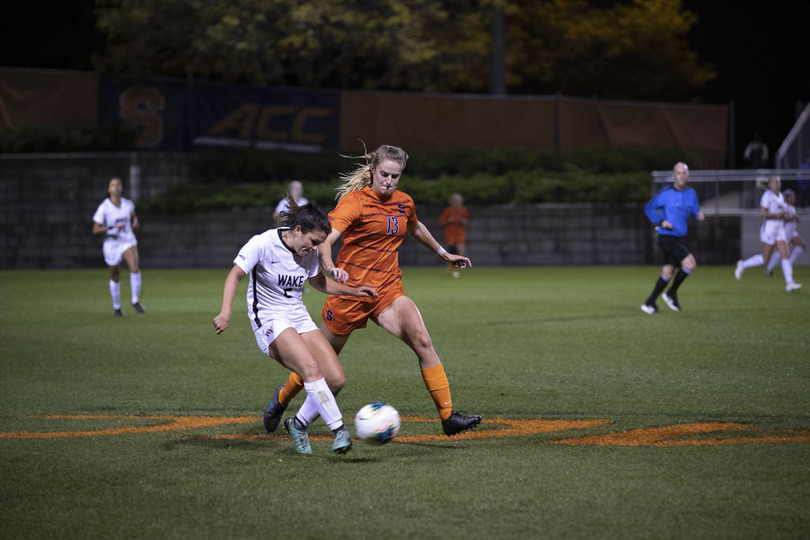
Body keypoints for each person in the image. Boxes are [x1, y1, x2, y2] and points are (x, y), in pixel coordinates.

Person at [263, 144, 483, 437]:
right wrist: (329, 267)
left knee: (422, 340)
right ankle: (281, 400)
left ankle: (448, 417)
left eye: (395, 176)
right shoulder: (355, 203)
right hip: (350, 294)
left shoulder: (404, 202)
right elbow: (327, 239)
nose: (389, 181)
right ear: (372, 171)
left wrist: (444, 253)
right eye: (384, 174)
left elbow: (415, 227)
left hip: (388, 291)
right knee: (319, 364)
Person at [213, 200, 378, 455]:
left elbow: (319, 283)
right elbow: (234, 275)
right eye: (313, 242)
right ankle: (339, 430)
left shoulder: (307, 251)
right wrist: (225, 313)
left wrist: (356, 292)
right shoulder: (263, 243)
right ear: (298, 229)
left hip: (298, 317)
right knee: (311, 368)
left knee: (335, 379)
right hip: (269, 319)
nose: (314, 249)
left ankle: (298, 424)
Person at [640, 162, 705, 314]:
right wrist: (661, 221)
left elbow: (695, 210)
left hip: (680, 237)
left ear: (687, 176)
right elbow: (649, 207)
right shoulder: (665, 193)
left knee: (667, 272)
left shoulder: (691, 193)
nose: (681, 176)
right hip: (666, 237)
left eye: (684, 173)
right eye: (678, 173)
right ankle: (671, 293)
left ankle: (650, 303)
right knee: (690, 264)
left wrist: (698, 215)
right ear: (673, 176)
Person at [735, 176, 802, 291]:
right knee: (765, 258)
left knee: (786, 254)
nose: (777, 184)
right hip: (770, 228)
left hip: (780, 229)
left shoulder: (780, 196)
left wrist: (788, 215)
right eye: (775, 182)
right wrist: (778, 213)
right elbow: (762, 212)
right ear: (770, 184)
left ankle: (789, 283)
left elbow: (782, 213)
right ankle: (743, 264)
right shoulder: (767, 196)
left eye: (778, 182)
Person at [92, 176, 145, 317]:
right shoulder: (104, 207)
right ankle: (117, 307)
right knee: (115, 275)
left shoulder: (128, 205)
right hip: (112, 243)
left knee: (134, 267)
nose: (116, 187)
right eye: (113, 185)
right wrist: (111, 227)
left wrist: (135, 224)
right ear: (109, 189)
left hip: (127, 240)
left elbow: (134, 220)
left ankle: (135, 300)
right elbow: (95, 229)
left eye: (119, 184)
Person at [765, 189, 806, 275]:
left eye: (793, 197)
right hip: (785, 231)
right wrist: (793, 218)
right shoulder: (783, 206)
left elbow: (794, 219)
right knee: (780, 252)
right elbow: (782, 219)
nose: (793, 199)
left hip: (792, 231)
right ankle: (769, 269)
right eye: (791, 197)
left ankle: (789, 262)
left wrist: (796, 218)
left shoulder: (792, 207)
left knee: (802, 246)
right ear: (786, 198)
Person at [439, 192, 469, 278]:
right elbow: (442, 221)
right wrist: (449, 221)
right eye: (455, 200)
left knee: (461, 252)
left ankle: (456, 268)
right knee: (452, 252)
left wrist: (462, 221)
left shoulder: (463, 210)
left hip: (460, 234)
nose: (457, 202)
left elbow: (466, 220)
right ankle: (452, 270)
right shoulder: (448, 210)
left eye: (458, 200)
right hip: (450, 234)